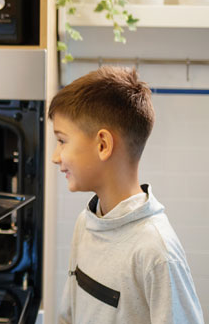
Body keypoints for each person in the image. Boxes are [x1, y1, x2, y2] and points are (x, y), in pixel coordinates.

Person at [50, 66, 203, 324]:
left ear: (103, 145)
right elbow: (68, 316)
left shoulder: (157, 252)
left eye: (62, 140)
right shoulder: (85, 224)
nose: (56, 157)